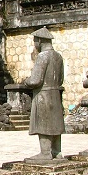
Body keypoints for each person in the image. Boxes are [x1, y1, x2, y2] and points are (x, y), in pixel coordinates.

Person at [24, 26, 65, 161]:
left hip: (43, 94)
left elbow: (36, 80)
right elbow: (61, 79)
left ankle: (45, 152)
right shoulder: (58, 56)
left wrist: (27, 81)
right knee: (55, 123)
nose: (35, 44)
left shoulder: (42, 56)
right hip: (55, 93)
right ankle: (57, 152)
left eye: (35, 40)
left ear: (40, 41)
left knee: (43, 123)